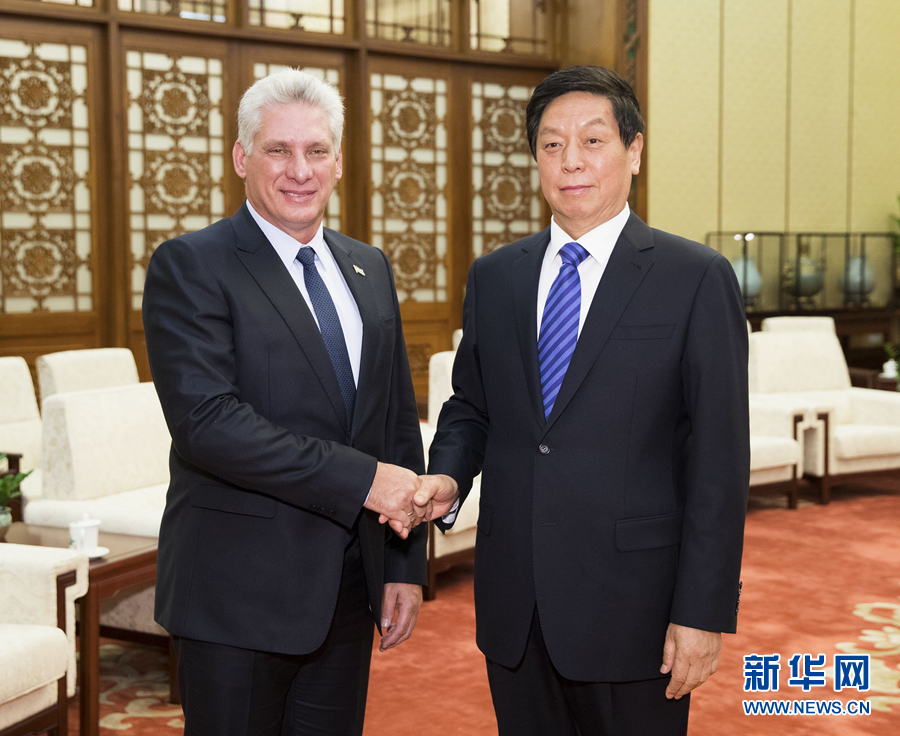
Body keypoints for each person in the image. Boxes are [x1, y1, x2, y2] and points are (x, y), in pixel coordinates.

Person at [417, 65, 750, 735]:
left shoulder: (695, 278)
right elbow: (472, 407)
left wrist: (702, 612)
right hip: (516, 607)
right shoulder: (496, 277)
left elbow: (719, 460)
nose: (571, 161)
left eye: (593, 141)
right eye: (552, 144)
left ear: (634, 150)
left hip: (637, 612)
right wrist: (447, 477)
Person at [142, 68, 427, 736]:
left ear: (338, 161)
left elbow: (393, 421)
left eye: (316, 150)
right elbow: (209, 425)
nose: (300, 170)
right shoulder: (191, 265)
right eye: (279, 150)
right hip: (235, 596)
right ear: (242, 158)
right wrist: (366, 482)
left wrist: (403, 566)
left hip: (348, 592)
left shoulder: (369, 267)